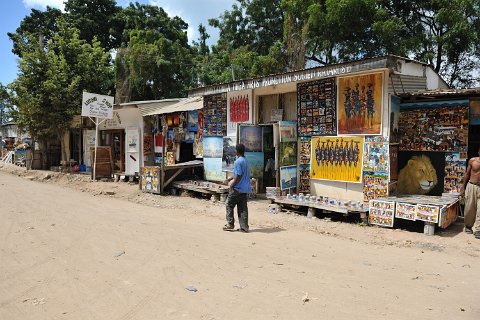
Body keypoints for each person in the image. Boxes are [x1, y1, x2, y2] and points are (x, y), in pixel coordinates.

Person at [223, 143, 251, 233]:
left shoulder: (238, 162)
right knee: (242, 208)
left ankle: (230, 224)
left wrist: (232, 185)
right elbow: (239, 174)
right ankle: (244, 227)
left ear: (237, 151)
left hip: (237, 188)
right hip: (245, 188)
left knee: (229, 204)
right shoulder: (246, 161)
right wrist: (230, 178)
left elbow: (238, 176)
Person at [461, 149, 480, 239]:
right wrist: (463, 188)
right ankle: (468, 226)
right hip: (472, 186)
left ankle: (478, 229)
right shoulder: (473, 161)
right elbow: (467, 174)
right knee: (470, 207)